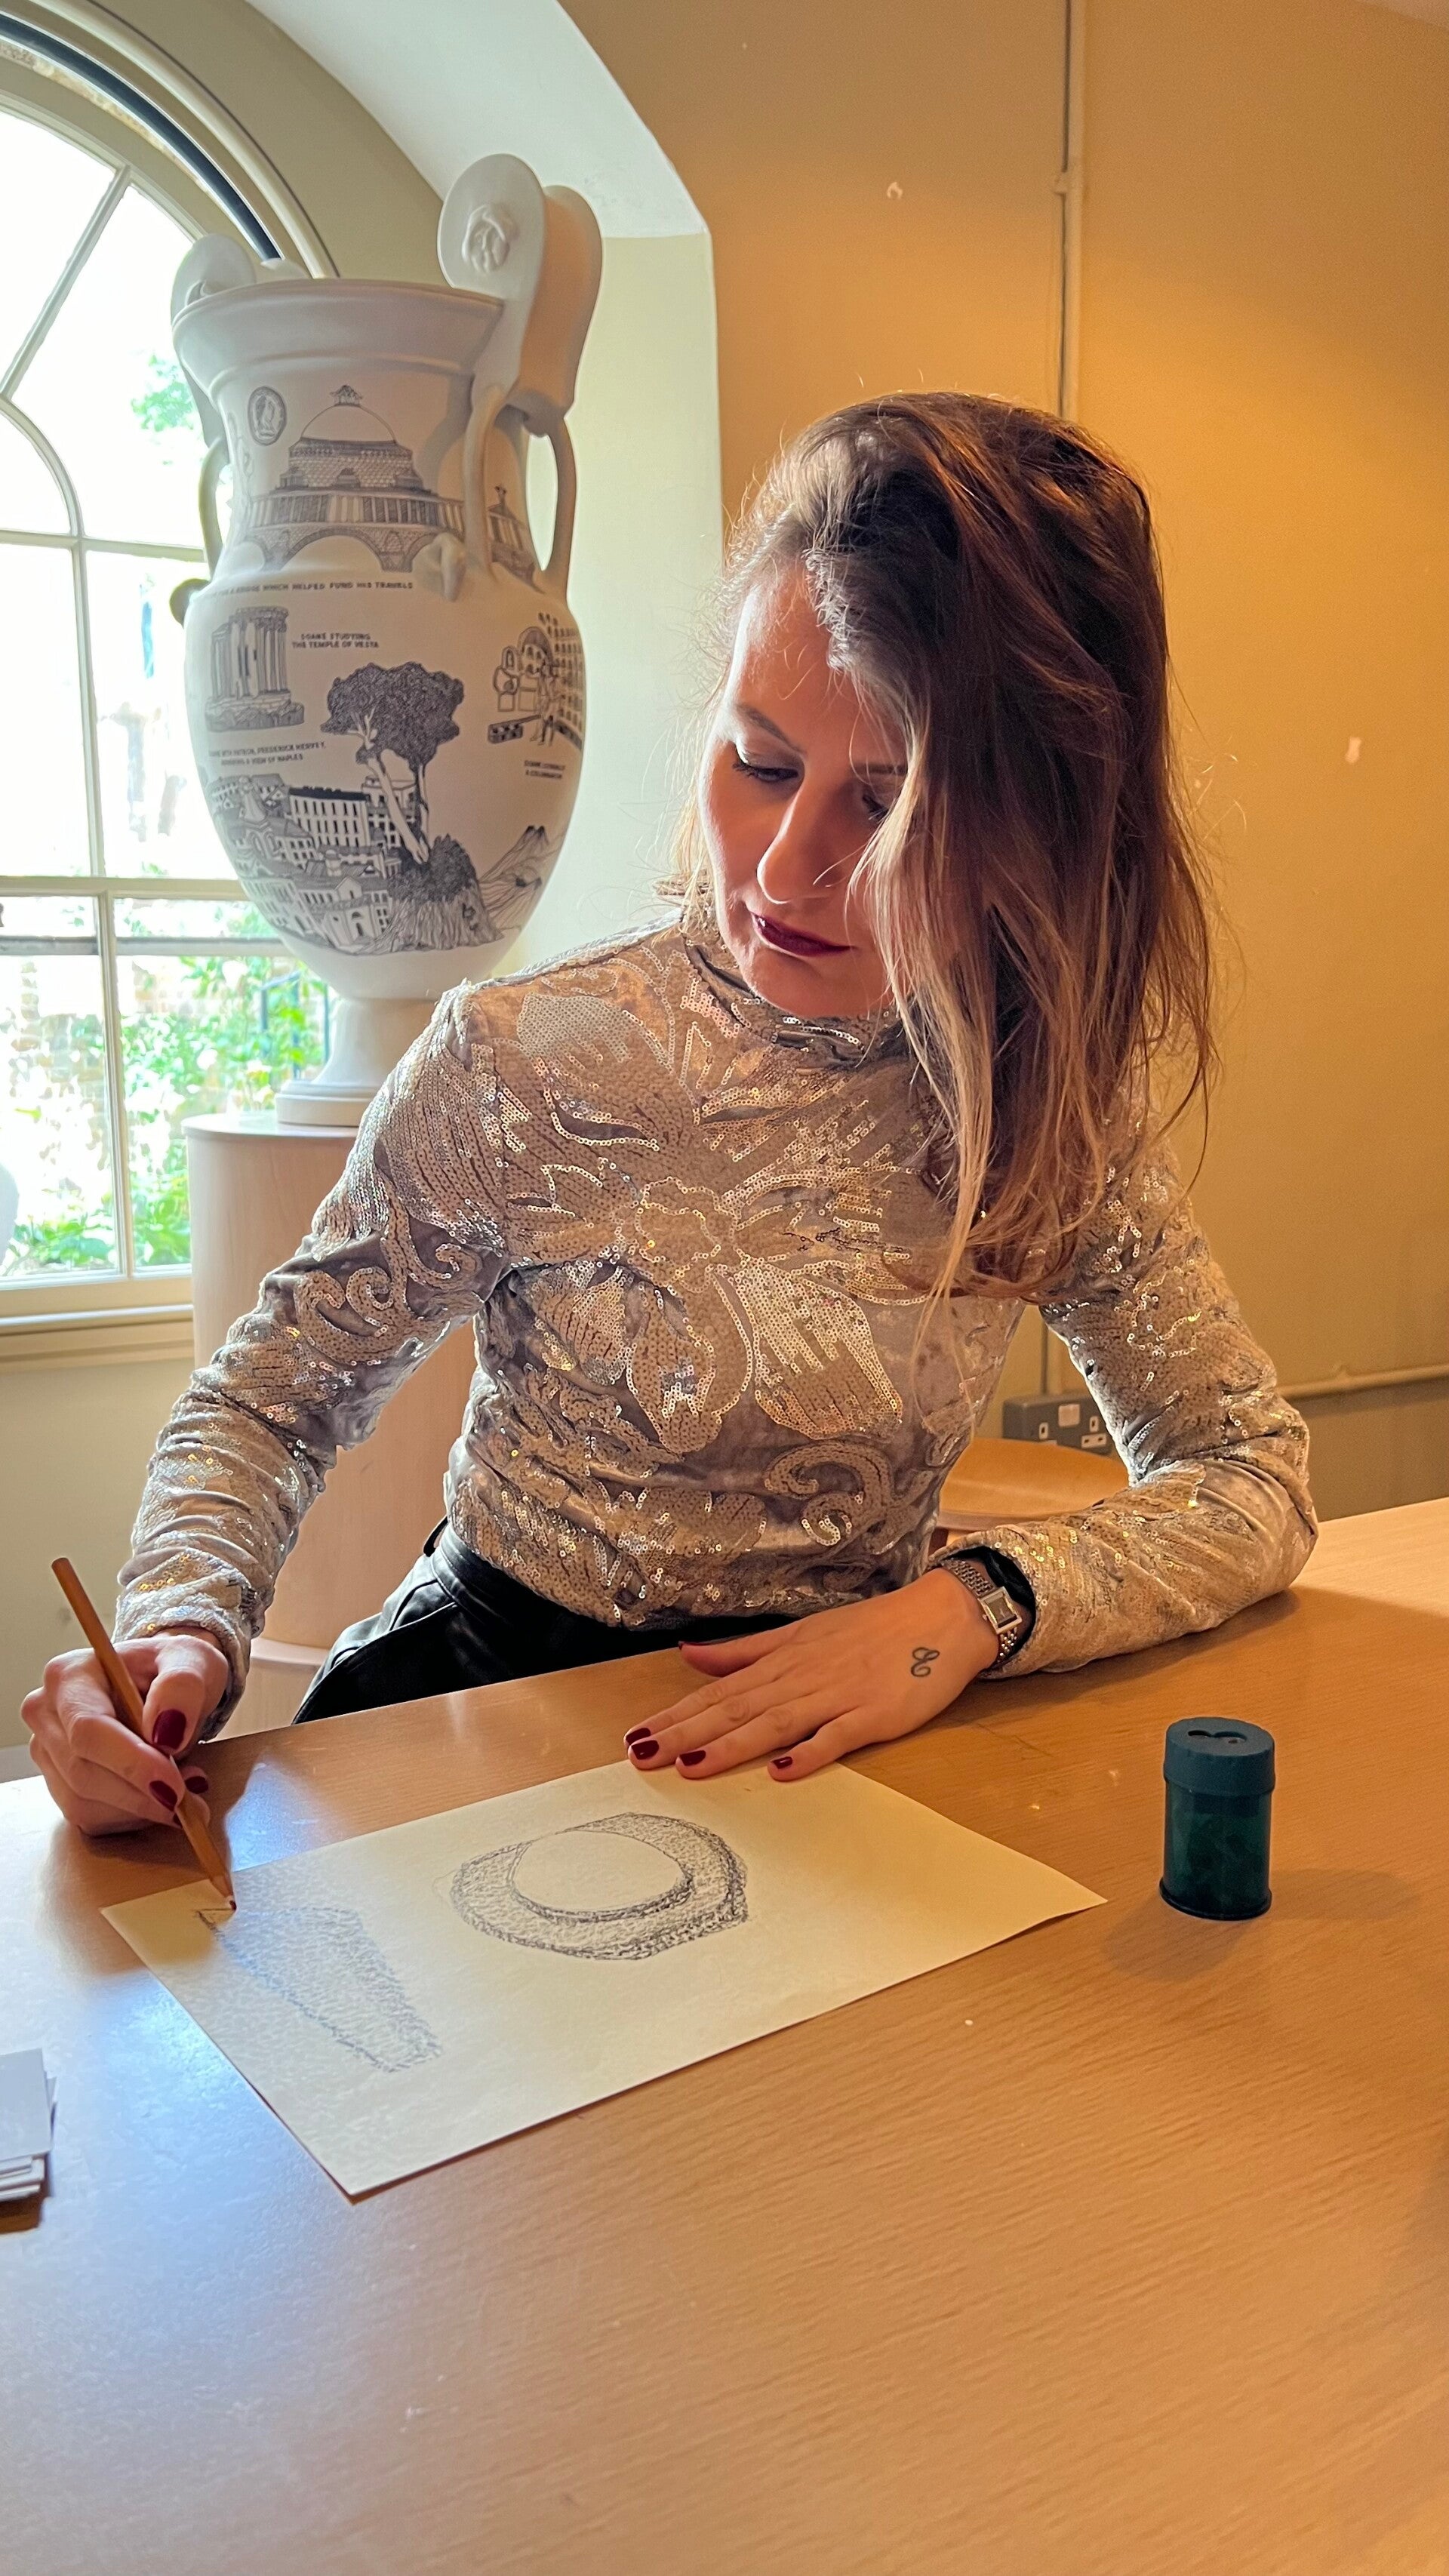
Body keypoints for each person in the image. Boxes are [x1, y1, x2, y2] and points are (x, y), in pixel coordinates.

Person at [23, 392, 1315, 1836]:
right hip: (480, 1720)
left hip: (838, 1753)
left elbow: (1248, 1472)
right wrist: (179, 1620)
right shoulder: (533, 1057)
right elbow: (273, 1393)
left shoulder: (1046, 1095)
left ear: (1045, 827)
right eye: (760, 762)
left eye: (886, 806)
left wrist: (971, 1607)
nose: (785, 865)